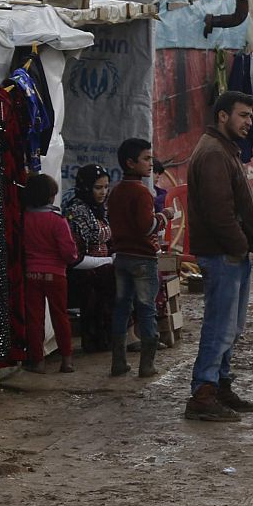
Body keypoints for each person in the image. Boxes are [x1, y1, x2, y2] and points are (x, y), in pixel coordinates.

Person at [185, 91, 253, 421]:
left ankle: (219, 385)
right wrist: (237, 246)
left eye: (250, 116)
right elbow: (220, 212)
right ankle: (203, 394)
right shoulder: (214, 154)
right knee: (219, 327)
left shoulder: (221, 149)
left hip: (228, 253)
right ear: (223, 116)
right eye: (243, 115)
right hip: (222, 255)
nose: (249, 122)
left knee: (229, 327)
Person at [108, 138, 165, 379]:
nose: (151, 163)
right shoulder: (141, 192)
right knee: (146, 309)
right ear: (131, 163)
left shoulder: (116, 190)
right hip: (142, 259)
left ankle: (118, 362)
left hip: (121, 257)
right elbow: (146, 227)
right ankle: (147, 365)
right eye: (146, 158)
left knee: (121, 309)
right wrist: (164, 216)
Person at [21, 173, 79, 374]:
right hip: (56, 275)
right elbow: (69, 252)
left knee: (34, 318)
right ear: (50, 197)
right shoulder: (57, 220)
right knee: (60, 316)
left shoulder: (24, 218)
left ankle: (37, 361)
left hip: (31, 274)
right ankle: (67, 359)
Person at [63, 164, 115, 354]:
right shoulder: (77, 211)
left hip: (103, 269)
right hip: (83, 273)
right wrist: (107, 262)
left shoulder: (101, 209)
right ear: (86, 187)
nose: (103, 192)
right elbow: (75, 257)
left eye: (106, 187)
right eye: (98, 188)